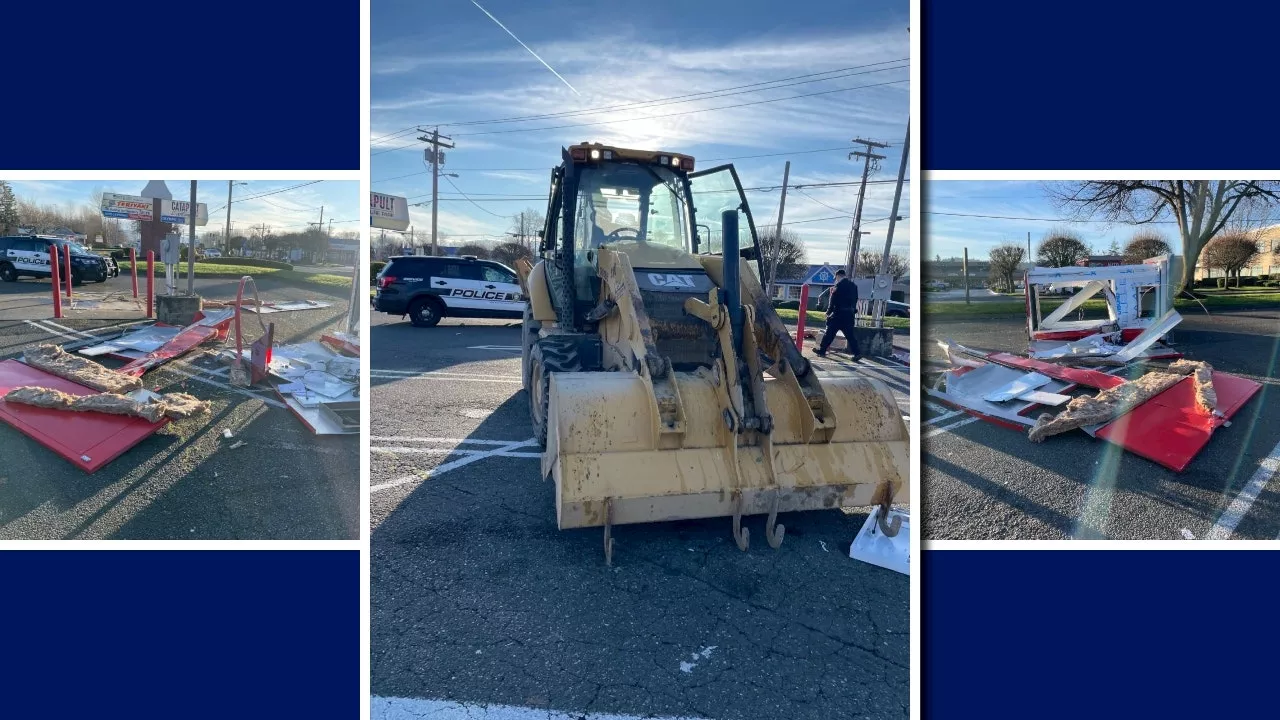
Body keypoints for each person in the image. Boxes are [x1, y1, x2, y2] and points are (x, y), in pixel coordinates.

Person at [815, 269, 860, 359]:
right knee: (850, 335)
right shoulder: (853, 286)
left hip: (838, 314)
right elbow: (855, 299)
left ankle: (822, 350)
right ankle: (857, 353)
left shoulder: (837, 286)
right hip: (849, 315)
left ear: (838, 276)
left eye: (836, 277)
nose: (836, 279)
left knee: (829, 333)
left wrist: (828, 312)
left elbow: (833, 301)